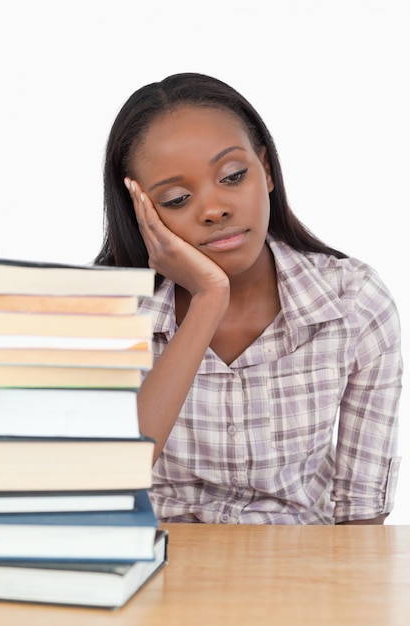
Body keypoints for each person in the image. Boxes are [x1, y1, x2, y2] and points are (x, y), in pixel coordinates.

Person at [95, 72, 402, 525]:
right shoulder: (110, 315)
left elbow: (361, 512)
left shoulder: (353, 303)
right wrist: (207, 299)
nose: (214, 209)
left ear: (267, 171)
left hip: (302, 574)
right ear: (140, 210)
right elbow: (106, 481)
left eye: (233, 176)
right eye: (177, 199)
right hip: (157, 565)